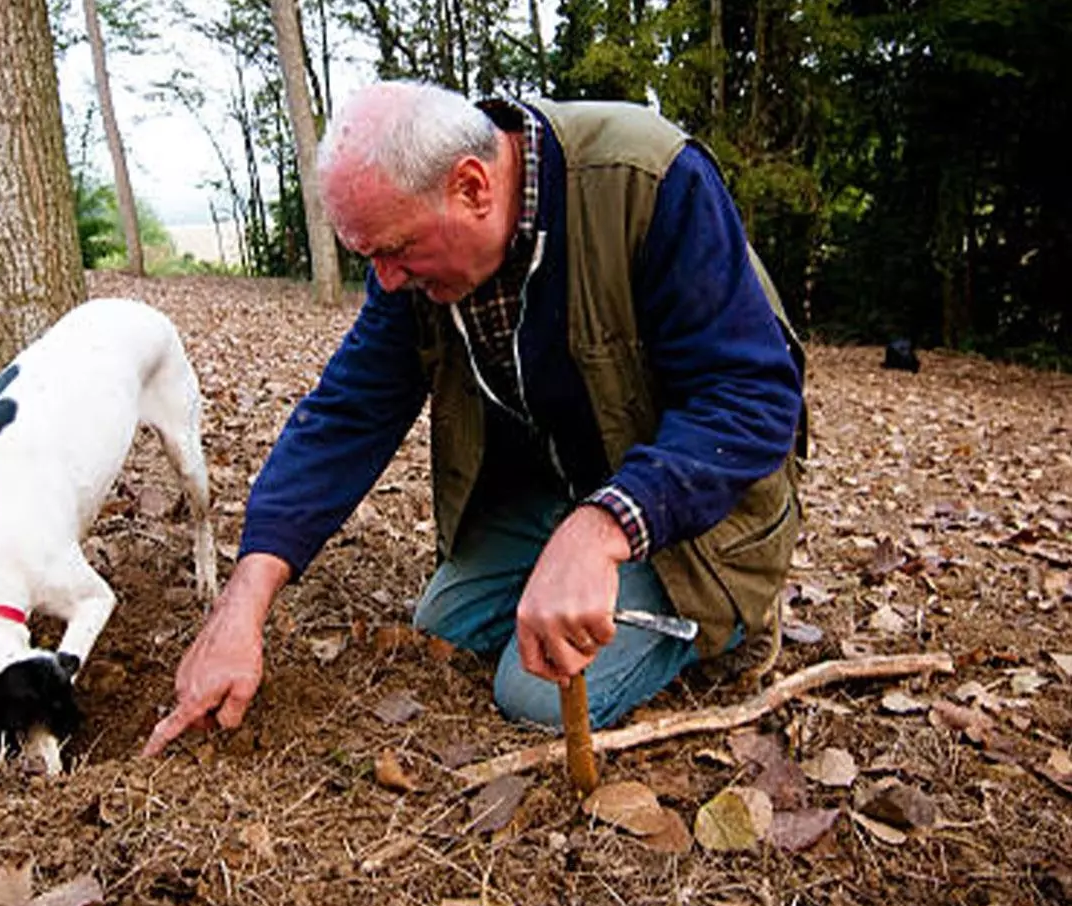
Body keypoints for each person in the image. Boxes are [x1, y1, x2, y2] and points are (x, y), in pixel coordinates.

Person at [141, 80, 806, 757]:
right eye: (371, 258)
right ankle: (572, 559)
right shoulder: (415, 248)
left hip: (696, 507)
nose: (386, 281)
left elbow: (751, 396)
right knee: (446, 625)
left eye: (395, 251)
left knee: (534, 694)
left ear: (472, 187)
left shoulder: (647, 181)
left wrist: (604, 527)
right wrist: (243, 603)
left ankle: (732, 621)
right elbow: (348, 411)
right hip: (564, 484)